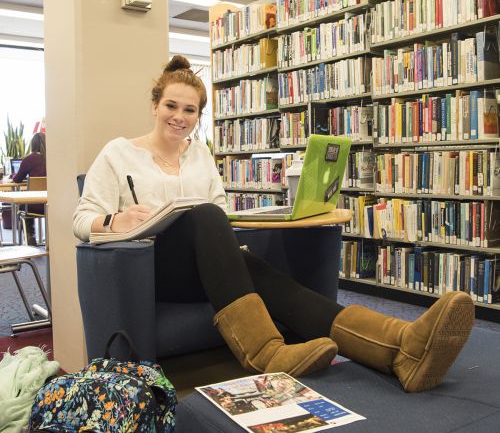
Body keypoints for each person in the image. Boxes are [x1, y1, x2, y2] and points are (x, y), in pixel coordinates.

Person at [73, 55, 474, 393]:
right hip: (151, 269)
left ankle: (400, 349)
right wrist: (116, 219)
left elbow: (219, 215)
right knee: (209, 219)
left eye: (190, 110)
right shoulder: (119, 153)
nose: (179, 117)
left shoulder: (200, 156)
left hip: (205, 266)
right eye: (171, 106)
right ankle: (265, 352)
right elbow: (81, 220)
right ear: (155, 105)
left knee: (260, 270)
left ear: (198, 115)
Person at [13, 132, 46, 245]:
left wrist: (13, 176)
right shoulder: (51, 159)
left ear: (33, 145)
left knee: (22, 205)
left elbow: (17, 180)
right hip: (50, 205)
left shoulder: (29, 159)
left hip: (34, 206)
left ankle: (30, 235)